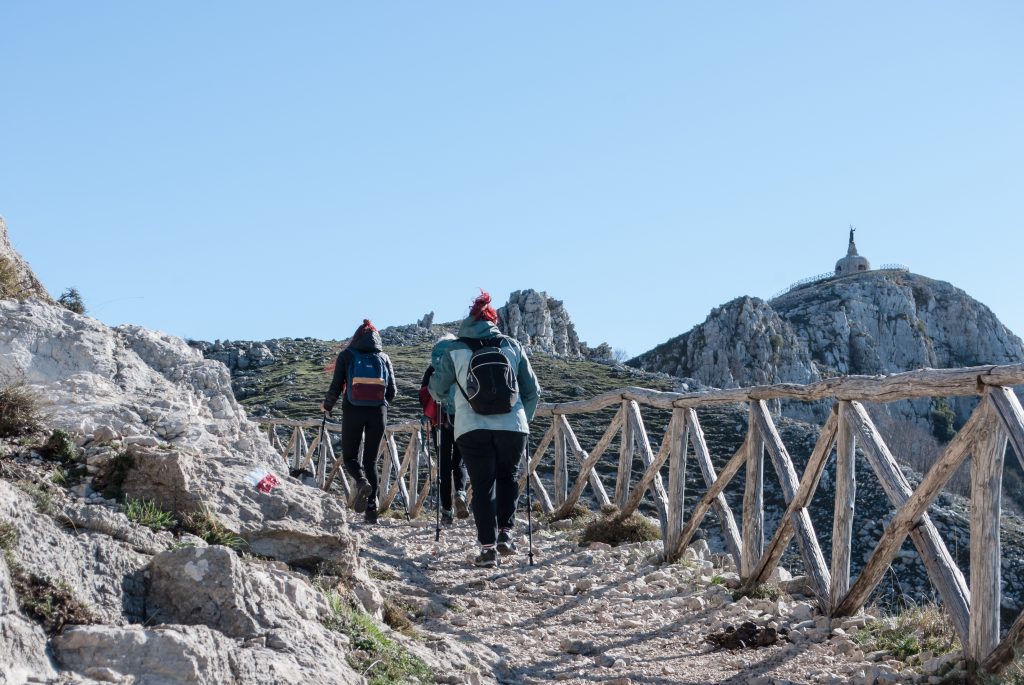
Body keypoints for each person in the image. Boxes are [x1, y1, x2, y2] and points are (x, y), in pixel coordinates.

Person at [429, 291, 540, 568]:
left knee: (482, 484)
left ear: (469, 320)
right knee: (508, 478)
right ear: (494, 321)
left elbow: (437, 389)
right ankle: (506, 534)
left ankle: (488, 550)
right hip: (513, 426)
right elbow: (533, 391)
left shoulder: (455, 349)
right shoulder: (512, 346)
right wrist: (523, 420)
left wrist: (446, 393)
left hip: (471, 426)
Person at [321, 319, 397, 524]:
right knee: (371, 461)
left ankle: (361, 482)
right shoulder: (383, 357)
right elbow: (392, 391)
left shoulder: (347, 355)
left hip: (353, 410)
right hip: (378, 412)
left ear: (356, 337)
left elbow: (336, 386)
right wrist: (379, 404)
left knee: (350, 457)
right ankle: (371, 510)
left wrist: (327, 406)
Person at [419, 334, 470, 525]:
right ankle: (461, 493)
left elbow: (424, 394)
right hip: (462, 417)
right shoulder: (461, 363)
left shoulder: (433, 367)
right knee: (459, 461)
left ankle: (446, 512)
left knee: (443, 465)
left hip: (440, 419)